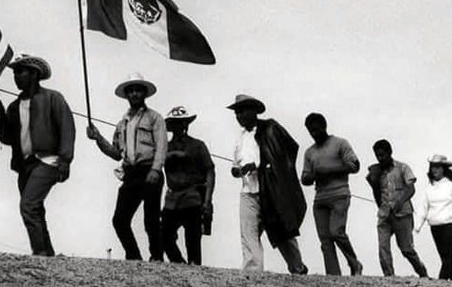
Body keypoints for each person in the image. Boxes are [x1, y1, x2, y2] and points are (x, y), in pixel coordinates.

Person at [0, 54, 74, 257]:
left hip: (48, 160)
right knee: (36, 209)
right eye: (15, 72)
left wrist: (65, 159)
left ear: (34, 74)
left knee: (28, 205)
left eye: (21, 71)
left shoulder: (53, 98)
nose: (16, 76)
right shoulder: (13, 106)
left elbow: (67, 128)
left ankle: (39, 253)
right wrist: (0, 119)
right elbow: (8, 139)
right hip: (25, 164)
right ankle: (47, 254)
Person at [88, 73, 166, 262]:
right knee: (119, 220)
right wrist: (98, 138)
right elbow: (116, 152)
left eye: (138, 90)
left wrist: (156, 169)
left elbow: (162, 145)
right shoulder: (122, 123)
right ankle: (134, 256)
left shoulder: (155, 118)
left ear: (144, 93)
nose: (134, 94)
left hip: (149, 170)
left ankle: (156, 258)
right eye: (130, 91)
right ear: (126, 95)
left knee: (151, 220)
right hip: (131, 173)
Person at [227, 94, 307, 274]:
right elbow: (235, 165)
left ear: (254, 111)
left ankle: (297, 267)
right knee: (248, 234)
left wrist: (264, 167)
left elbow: (288, 150)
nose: (239, 116)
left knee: (282, 230)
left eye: (243, 111)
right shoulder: (240, 139)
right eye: (237, 113)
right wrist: (236, 170)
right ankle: (252, 272)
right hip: (248, 191)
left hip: (271, 190)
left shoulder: (270, 128)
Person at [300, 113, 362, 276]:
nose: (314, 133)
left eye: (316, 129)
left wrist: (329, 170)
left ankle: (354, 263)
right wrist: (314, 175)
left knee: (336, 232)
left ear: (324, 126)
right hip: (320, 198)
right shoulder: (309, 152)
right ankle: (333, 276)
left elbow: (355, 165)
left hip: (339, 194)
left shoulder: (340, 143)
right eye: (310, 131)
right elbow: (304, 178)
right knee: (325, 240)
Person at [160, 106, 214, 265]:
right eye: (174, 123)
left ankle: (193, 272)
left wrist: (207, 200)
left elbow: (210, 171)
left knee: (193, 242)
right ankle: (180, 266)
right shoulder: (164, 147)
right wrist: (173, 155)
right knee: (164, 236)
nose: (178, 126)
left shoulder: (198, 145)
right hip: (171, 199)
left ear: (186, 124)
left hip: (192, 197)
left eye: (181, 123)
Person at [366, 140, 428, 278]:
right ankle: (389, 276)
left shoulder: (402, 168)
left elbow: (411, 188)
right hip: (385, 214)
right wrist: (374, 183)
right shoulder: (377, 172)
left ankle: (422, 272)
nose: (380, 158)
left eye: (382, 155)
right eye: (377, 156)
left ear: (389, 153)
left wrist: (400, 202)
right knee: (383, 247)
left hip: (402, 214)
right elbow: (376, 193)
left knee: (406, 249)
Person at [416, 155, 452, 281]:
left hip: (450, 224)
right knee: (445, 257)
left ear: (444, 169)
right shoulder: (428, 189)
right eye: (432, 167)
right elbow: (423, 208)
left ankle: (440, 282)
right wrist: (417, 226)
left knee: (447, 255)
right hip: (435, 225)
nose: (434, 170)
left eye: (437, 167)